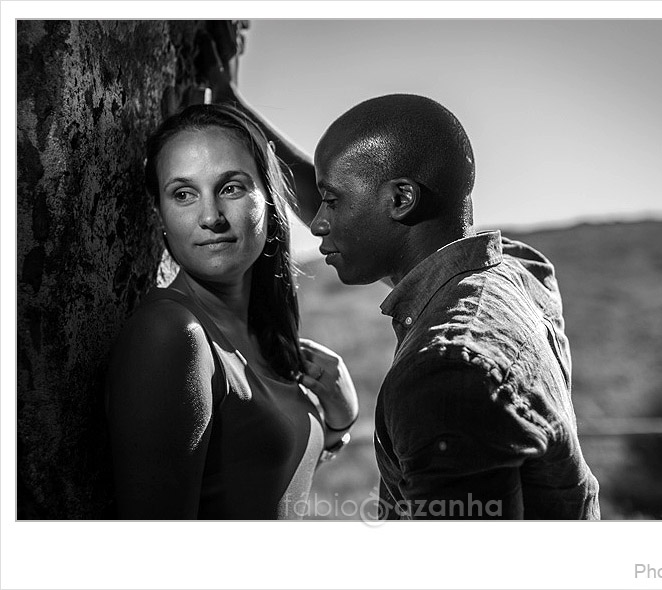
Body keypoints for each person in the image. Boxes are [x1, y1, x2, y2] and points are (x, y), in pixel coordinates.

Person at [309, 94, 600, 519]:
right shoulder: (515, 272)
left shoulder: (446, 376)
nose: (317, 223)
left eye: (331, 201)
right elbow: (372, 223)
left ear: (401, 200)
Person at [105, 103, 358, 519]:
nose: (210, 217)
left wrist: (339, 423)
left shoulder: (261, 335)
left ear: (270, 200)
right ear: (160, 215)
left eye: (231, 188)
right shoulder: (173, 334)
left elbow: (257, 477)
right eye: (183, 194)